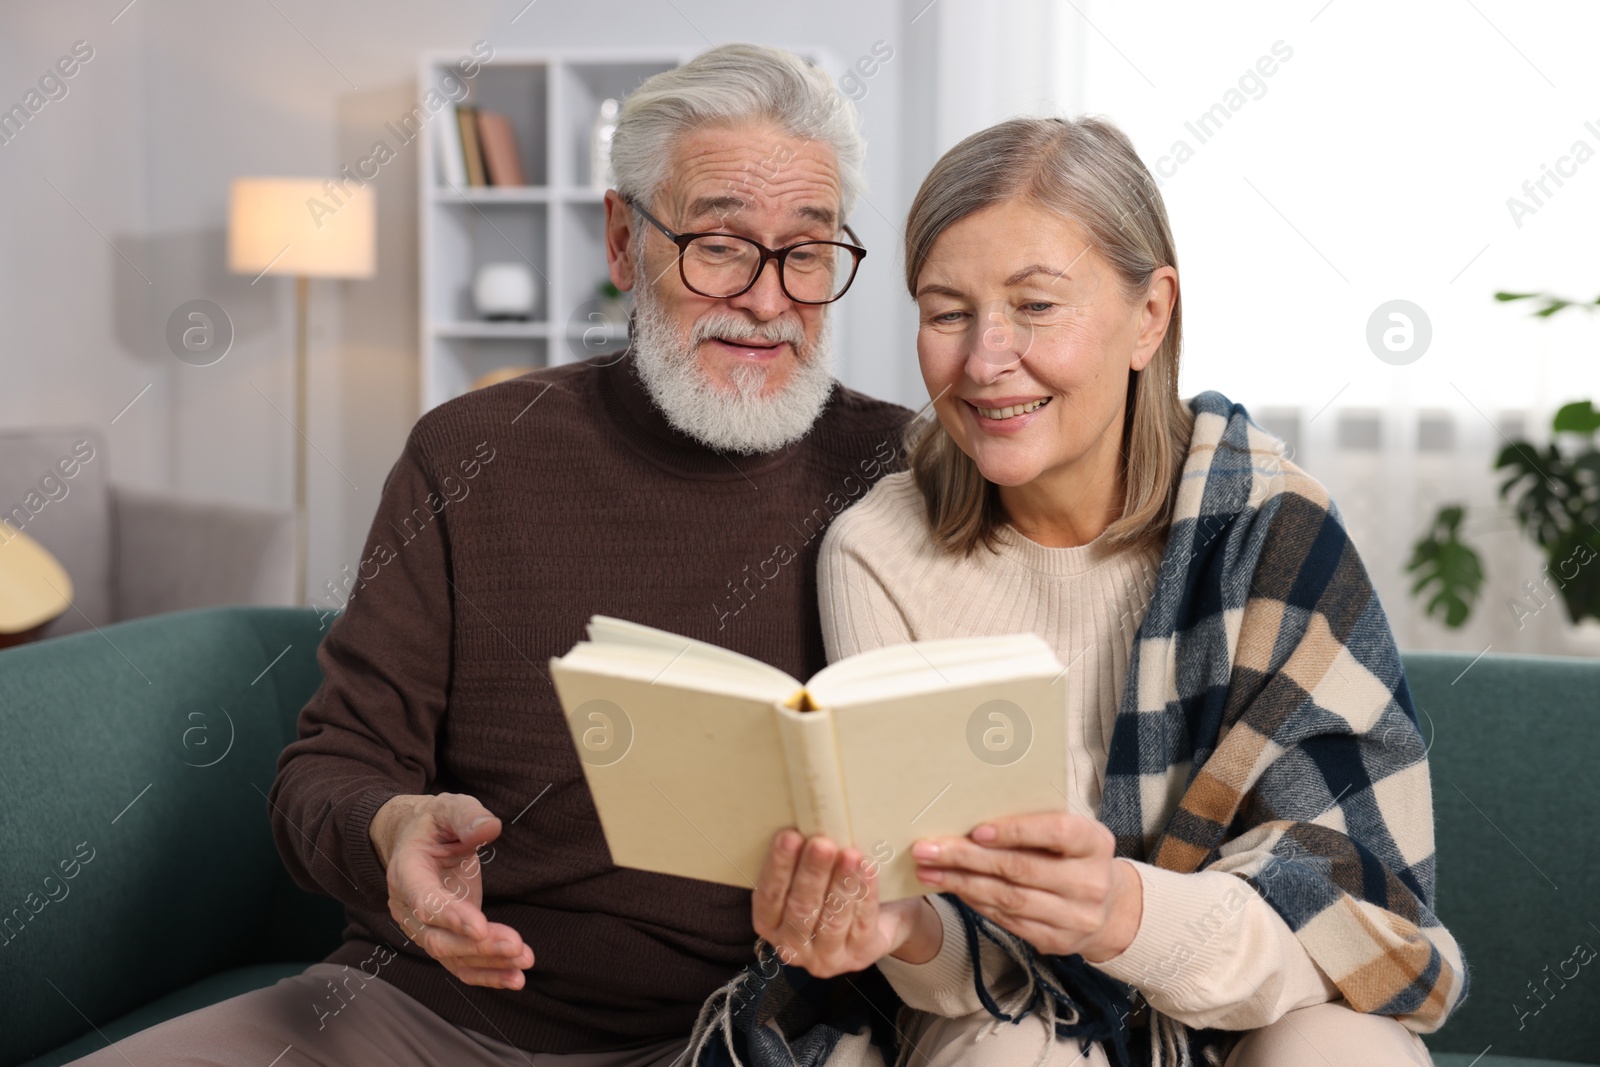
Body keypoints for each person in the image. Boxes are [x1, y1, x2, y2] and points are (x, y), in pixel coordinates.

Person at [62, 43, 912, 1067]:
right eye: (721, 245)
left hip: (745, 1034)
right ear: (620, 237)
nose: (769, 300)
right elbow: (327, 770)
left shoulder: (899, 469)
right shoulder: (469, 453)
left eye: (807, 252)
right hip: (422, 1010)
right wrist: (391, 828)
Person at [753, 116, 1465, 1066]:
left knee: (1348, 1048)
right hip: (1010, 1007)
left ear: (1151, 315)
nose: (983, 360)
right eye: (947, 310)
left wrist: (1121, 908)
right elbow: (953, 950)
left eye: (1036, 305)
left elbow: (1352, 908)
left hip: (1246, 1002)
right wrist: (901, 929)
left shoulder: (1272, 529)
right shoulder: (879, 551)